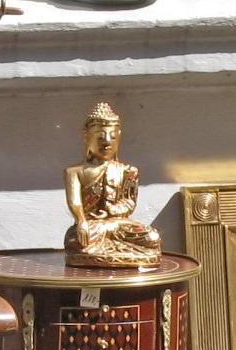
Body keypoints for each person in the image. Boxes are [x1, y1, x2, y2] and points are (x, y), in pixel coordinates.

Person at [63, 101, 162, 269]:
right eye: (100, 137)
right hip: (93, 227)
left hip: (118, 225)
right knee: (74, 240)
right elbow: (75, 202)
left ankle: (108, 249)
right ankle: (106, 249)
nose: (107, 142)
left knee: (152, 238)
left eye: (113, 137)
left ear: (119, 137)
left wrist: (115, 211)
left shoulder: (127, 171)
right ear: (87, 137)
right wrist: (81, 221)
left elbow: (129, 202)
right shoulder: (74, 172)